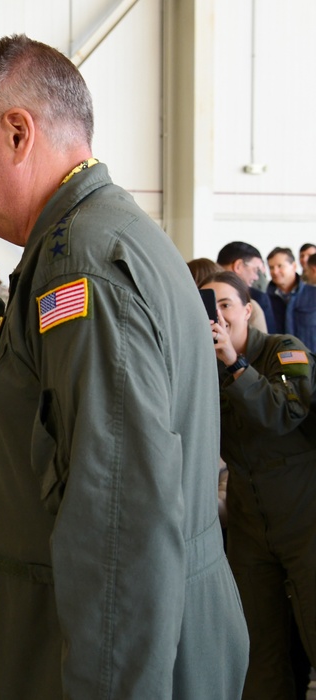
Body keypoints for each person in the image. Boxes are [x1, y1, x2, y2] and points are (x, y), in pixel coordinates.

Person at [0, 35, 248, 698]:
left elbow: (118, 524)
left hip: (106, 658)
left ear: (19, 132)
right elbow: (23, 403)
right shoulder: (86, 238)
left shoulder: (80, 266)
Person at [202, 271, 316, 697]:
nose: (219, 315)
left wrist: (234, 363)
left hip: (304, 518)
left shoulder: (285, 350)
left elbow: (284, 412)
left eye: (227, 304)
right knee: (258, 651)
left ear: (248, 310)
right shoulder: (204, 367)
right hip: (249, 524)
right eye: (210, 307)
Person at [266, 246, 316, 350]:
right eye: (271, 267)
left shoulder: (313, 294)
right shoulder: (264, 300)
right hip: (278, 363)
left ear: (293, 266)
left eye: (280, 266)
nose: (275, 272)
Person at [216, 242, 272, 331]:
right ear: (238, 266)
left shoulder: (199, 292)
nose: (256, 277)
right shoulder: (257, 299)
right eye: (255, 270)